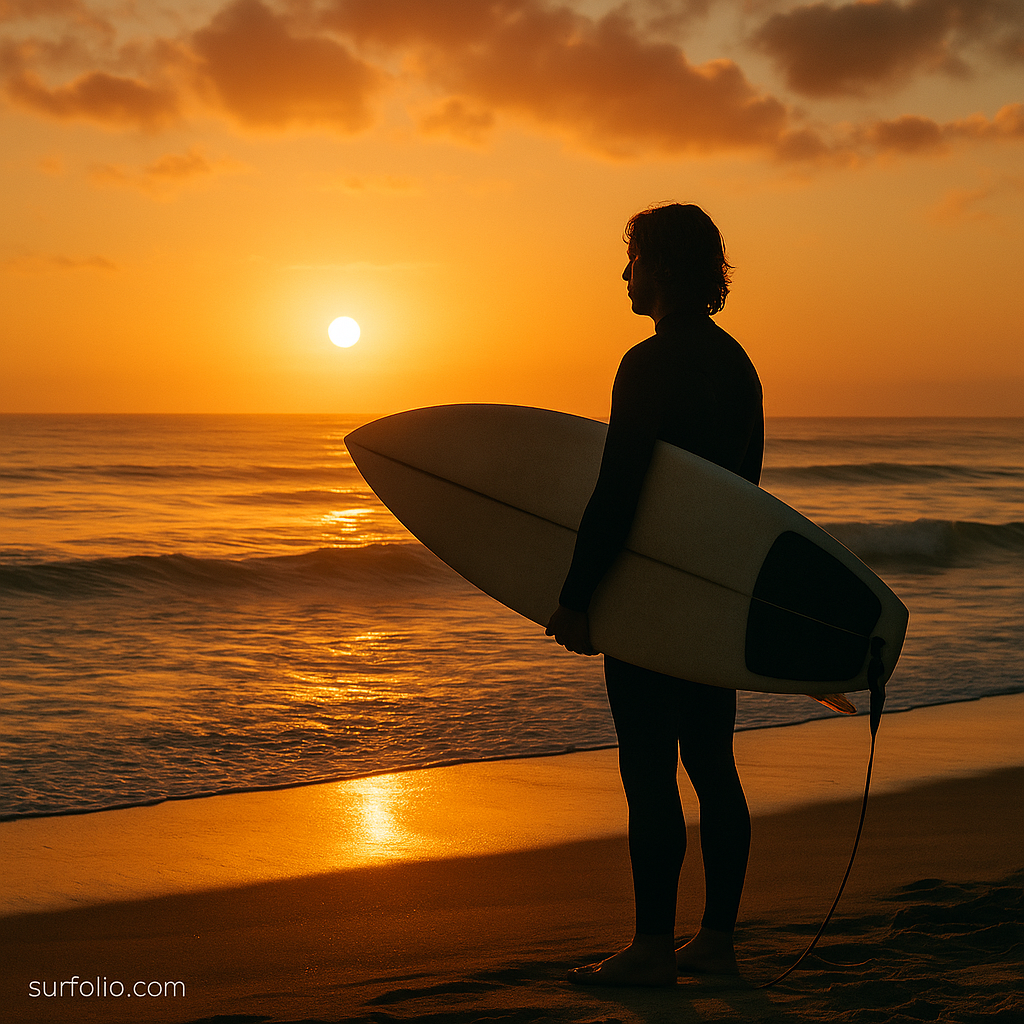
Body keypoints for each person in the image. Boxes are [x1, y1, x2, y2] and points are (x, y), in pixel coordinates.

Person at [545, 203, 763, 987]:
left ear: (660, 267)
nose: (624, 274)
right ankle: (716, 941)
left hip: (649, 594)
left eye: (631, 259)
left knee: (647, 770)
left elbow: (619, 488)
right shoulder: (738, 366)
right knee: (712, 764)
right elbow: (748, 500)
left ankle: (647, 949)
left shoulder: (647, 362)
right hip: (708, 595)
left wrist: (577, 594)